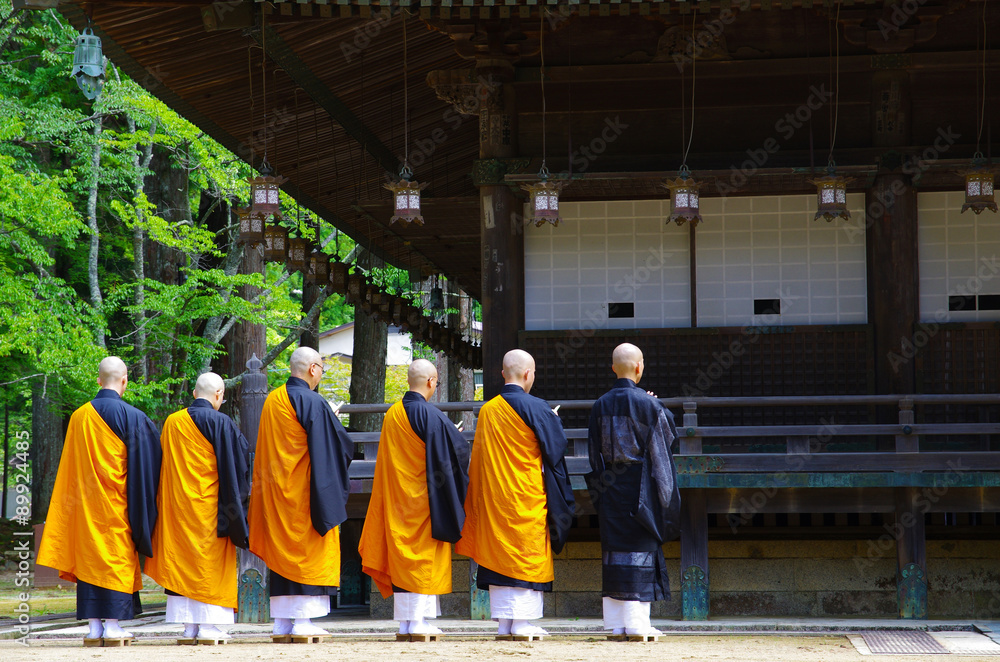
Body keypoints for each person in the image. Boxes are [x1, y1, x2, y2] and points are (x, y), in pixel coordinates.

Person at [37, 356, 162, 642]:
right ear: (125, 380)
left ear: (98, 379)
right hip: (118, 508)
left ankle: (94, 626)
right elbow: (149, 467)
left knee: (89, 563)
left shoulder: (79, 417)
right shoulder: (133, 417)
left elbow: (70, 468)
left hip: (86, 509)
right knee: (116, 560)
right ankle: (114, 626)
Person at [455, 349, 574, 638]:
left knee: (498, 554)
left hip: (495, 500)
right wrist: (552, 420)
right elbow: (556, 450)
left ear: (502, 374)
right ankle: (521, 622)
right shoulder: (537, 407)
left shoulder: (488, 410)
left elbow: (480, 460)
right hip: (525, 497)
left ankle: (506, 623)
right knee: (525, 553)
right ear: (528, 374)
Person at [359, 359, 470, 638]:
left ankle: (409, 622)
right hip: (423, 504)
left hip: (397, 501)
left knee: (403, 560)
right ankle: (416, 621)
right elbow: (458, 452)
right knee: (421, 560)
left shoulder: (393, 414)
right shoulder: (431, 416)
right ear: (432, 381)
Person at [248, 346, 353, 638]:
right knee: (306, 551)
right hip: (304, 497)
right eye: (322, 368)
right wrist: (330, 418)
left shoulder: (273, 400)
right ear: (312, 369)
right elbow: (337, 447)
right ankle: (304, 621)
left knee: (282, 554)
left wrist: (325, 420)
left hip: (276, 495)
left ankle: (282, 621)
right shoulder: (312, 401)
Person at [145, 372, 250, 641]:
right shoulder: (221, 422)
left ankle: (189, 626)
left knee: (182, 563)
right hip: (210, 512)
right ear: (219, 395)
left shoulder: (172, 422)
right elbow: (237, 467)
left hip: (178, 511)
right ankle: (209, 626)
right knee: (209, 565)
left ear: (194, 393)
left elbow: (162, 466)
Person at [586, 343, 681, 638]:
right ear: (639, 368)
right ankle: (638, 624)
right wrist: (667, 498)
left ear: (614, 368)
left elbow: (593, 455)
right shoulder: (649, 405)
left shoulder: (600, 404)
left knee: (615, 551)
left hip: (610, 487)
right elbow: (663, 447)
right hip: (641, 488)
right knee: (639, 549)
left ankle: (615, 624)